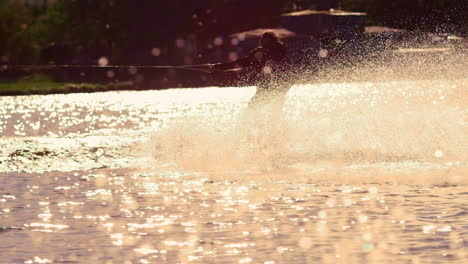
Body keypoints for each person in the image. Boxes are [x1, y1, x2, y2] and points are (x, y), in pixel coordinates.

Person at [211, 31, 290, 110]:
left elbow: (241, 63)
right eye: (263, 41)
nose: (263, 43)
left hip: (273, 86)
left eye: (265, 42)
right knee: (266, 107)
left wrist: (217, 67)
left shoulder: (269, 53)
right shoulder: (280, 52)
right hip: (277, 87)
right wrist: (217, 67)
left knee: (254, 107)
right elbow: (242, 63)